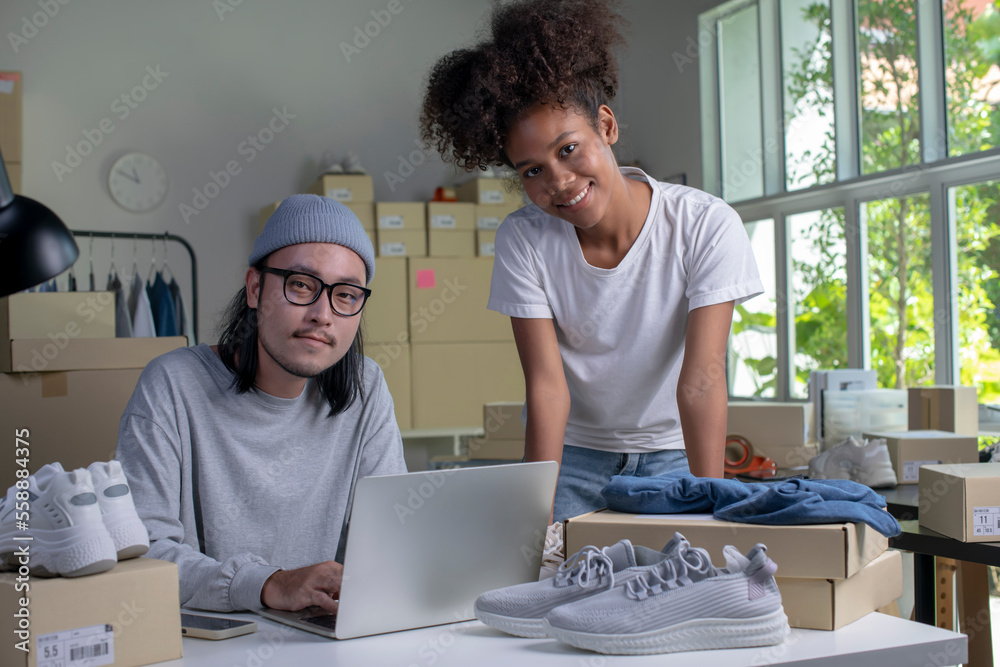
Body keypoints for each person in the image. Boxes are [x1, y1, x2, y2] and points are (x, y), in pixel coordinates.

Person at [420, 0, 763, 522]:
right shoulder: (525, 240)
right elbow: (547, 387)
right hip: (576, 461)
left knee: (681, 592)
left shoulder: (705, 225)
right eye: (531, 171)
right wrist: (535, 517)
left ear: (606, 126)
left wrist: (710, 505)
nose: (557, 182)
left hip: (675, 456)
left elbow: (701, 380)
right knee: (548, 585)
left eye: (568, 149)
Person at [116, 195, 406, 613]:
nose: (323, 314)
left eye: (345, 295)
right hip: (209, 643)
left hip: (328, 641)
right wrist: (269, 583)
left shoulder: (366, 386)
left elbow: (393, 533)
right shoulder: (173, 384)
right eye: (302, 285)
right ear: (256, 288)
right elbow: (142, 551)